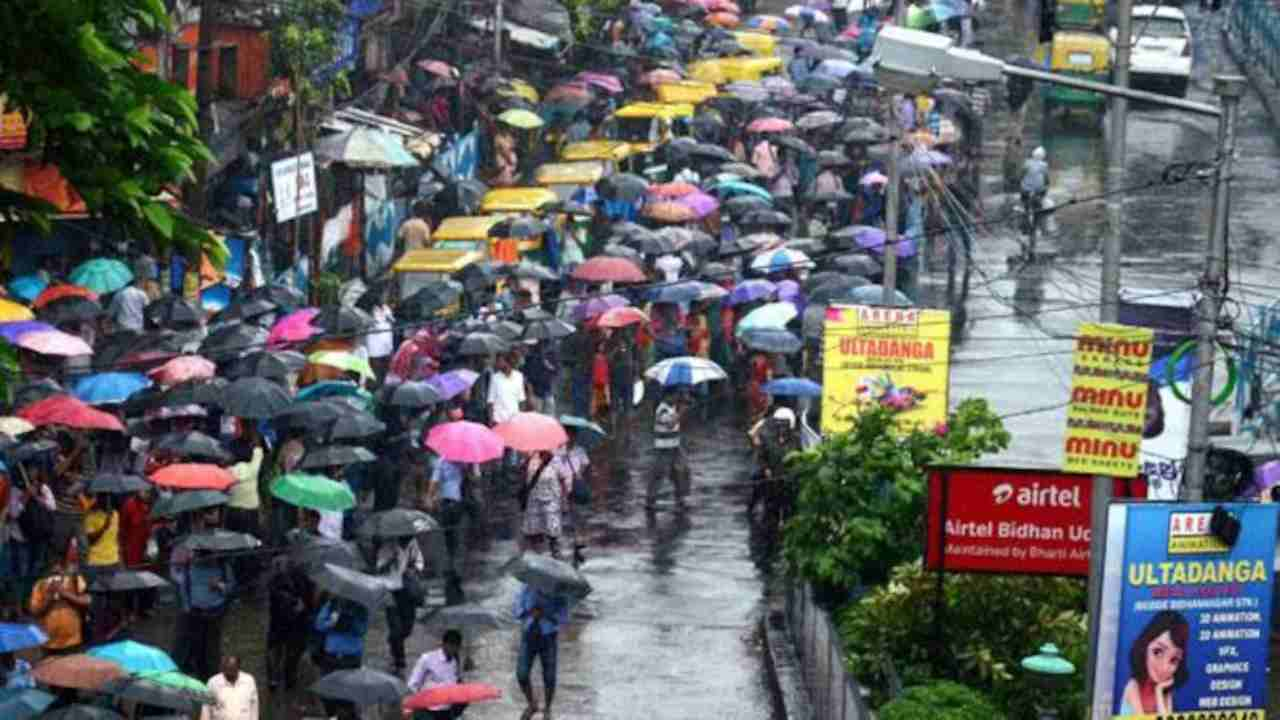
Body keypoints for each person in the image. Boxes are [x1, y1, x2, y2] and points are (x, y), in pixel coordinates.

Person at [171, 511, 235, 681]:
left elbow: (230, 586)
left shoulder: (221, 559)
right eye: (200, 522)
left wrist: (219, 586)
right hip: (193, 612)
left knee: (211, 653)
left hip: (215, 613)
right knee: (191, 650)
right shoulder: (183, 549)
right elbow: (176, 575)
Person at [514, 583, 572, 720]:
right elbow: (517, 609)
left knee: (550, 676)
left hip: (548, 636)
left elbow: (563, 617)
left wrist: (546, 614)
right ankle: (531, 704)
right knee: (521, 674)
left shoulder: (559, 593)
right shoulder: (526, 587)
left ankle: (548, 708)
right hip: (528, 635)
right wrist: (529, 612)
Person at [1120, 611, 1189, 716]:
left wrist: (1159, 692)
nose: (1164, 667)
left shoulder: (1165, 692)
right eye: (1157, 652)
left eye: (1174, 660)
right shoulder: (1133, 687)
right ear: (1144, 647)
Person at [312, 598, 369, 718]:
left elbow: (362, 630)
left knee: (347, 695)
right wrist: (332, 622)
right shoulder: (332, 604)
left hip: (350, 658)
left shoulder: (361, 607)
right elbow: (319, 624)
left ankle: (349, 716)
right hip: (331, 656)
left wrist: (350, 620)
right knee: (326, 691)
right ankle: (332, 715)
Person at [377, 535, 425, 672]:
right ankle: (400, 659)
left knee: (407, 628)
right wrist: (390, 560)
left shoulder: (413, 544)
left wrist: (414, 569)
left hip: (408, 592)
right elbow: (379, 568)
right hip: (391, 592)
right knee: (396, 628)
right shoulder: (387, 546)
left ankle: (393, 641)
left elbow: (420, 562)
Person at [9, 468, 55, 608]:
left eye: (35, 470)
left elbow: (52, 507)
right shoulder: (16, 490)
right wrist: (26, 496)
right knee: (22, 573)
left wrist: (37, 497)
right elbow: (14, 513)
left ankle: (31, 602)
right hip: (22, 538)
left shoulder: (44, 488)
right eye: (30, 470)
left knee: (35, 571)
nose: (32, 473)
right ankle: (18, 605)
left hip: (39, 537)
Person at [29, 550, 90, 655]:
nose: (56, 570)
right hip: (48, 643)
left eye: (60, 566)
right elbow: (35, 611)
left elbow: (87, 600)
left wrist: (65, 593)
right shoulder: (40, 585)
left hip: (73, 641)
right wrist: (49, 598)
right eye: (52, 567)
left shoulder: (75, 580)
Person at [426, 451, 467, 605]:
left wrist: (429, 498)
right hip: (458, 502)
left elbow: (434, 482)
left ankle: (450, 574)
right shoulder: (464, 460)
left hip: (446, 503)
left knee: (448, 539)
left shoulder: (441, 461)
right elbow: (475, 478)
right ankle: (454, 574)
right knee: (455, 540)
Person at [266, 555, 311, 691]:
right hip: (287, 621)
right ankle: (284, 679)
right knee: (286, 651)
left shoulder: (275, 578)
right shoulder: (303, 577)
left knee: (281, 650)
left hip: (284, 621)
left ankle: (278, 678)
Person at [647, 389, 690, 512]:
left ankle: (680, 498)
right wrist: (681, 413)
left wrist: (680, 411)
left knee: (680, 472)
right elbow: (670, 424)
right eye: (674, 395)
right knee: (658, 473)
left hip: (675, 446)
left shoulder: (673, 408)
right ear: (667, 396)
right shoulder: (662, 409)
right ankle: (650, 500)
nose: (676, 398)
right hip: (663, 448)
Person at [407, 629, 466, 719]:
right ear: (444, 644)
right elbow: (413, 683)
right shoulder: (427, 659)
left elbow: (454, 682)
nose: (453, 649)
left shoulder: (454, 662)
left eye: (456, 647)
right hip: (426, 709)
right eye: (451, 645)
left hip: (445, 711)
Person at [522, 450, 569, 558]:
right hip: (534, 498)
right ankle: (536, 553)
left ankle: (555, 553)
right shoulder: (531, 458)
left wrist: (564, 499)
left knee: (552, 527)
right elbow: (524, 477)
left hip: (551, 499)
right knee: (533, 527)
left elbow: (563, 480)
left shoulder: (556, 460)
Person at [201, 655, 258, 720]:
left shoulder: (249, 680)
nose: (229, 673)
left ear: (238, 667)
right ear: (223, 668)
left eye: (232, 669)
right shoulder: (213, 682)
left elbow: (254, 706)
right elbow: (206, 708)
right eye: (227, 669)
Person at [1021, 146, 1050, 233]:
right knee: (1038, 207)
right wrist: (1047, 186)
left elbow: (1021, 175)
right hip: (1038, 191)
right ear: (1042, 157)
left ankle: (1025, 222)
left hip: (1026, 190)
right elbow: (1047, 180)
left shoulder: (1026, 163)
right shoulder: (1044, 165)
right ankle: (1035, 225)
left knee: (1026, 206)